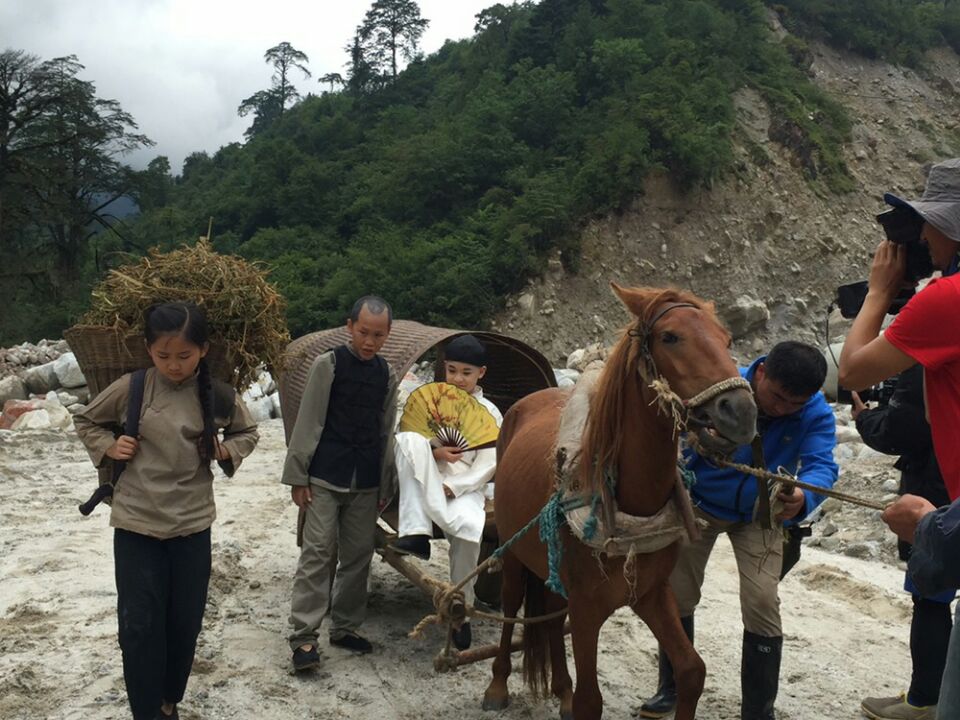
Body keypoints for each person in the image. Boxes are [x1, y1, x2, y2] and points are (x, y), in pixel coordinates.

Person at [74, 302, 260, 720]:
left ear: (204, 350)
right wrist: (109, 445)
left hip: (193, 526)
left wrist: (225, 448)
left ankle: (168, 701)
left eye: (184, 356)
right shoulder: (132, 388)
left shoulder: (218, 395)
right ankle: (146, 712)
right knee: (138, 626)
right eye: (163, 356)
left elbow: (247, 431)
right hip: (137, 524)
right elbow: (86, 421)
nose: (173, 366)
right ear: (148, 350)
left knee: (184, 623)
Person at [640, 341, 838, 720]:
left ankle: (758, 712)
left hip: (762, 513)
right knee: (677, 595)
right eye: (777, 397)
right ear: (760, 373)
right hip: (697, 504)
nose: (782, 409)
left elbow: (822, 465)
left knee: (763, 603)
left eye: (794, 404)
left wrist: (804, 497)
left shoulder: (814, 412)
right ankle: (671, 688)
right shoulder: (719, 389)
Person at [840, 158, 960, 720]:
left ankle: (927, 702)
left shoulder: (947, 301)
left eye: (928, 224)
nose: (923, 237)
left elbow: (853, 372)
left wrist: (878, 291)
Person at [281, 295, 398, 672]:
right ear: (350, 327)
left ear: (387, 336)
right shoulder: (327, 364)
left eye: (378, 335)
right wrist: (298, 476)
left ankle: (345, 626)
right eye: (364, 332)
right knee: (317, 552)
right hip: (325, 476)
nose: (369, 341)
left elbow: (386, 430)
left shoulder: (387, 374)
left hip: (364, 479)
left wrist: (384, 483)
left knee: (358, 555)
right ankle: (303, 637)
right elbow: (309, 421)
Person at [389, 334, 503, 651]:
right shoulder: (431, 400)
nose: (457, 379)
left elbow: (489, 462)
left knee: (469, 531)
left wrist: (455, 485)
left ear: (481, 372)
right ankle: (415, 531)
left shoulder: (490, 413)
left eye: (466, 372)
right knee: (407, 441)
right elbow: (412, 441)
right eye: (452, 370)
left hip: (465, 485)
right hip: (424, 476)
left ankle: (461, 614)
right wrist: (432, 452)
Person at [854, 366, 953, 720]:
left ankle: (924, 700)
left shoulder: (934, 352)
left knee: (930, 596)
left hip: (940, 491)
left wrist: (866, 417)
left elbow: (902, 432)